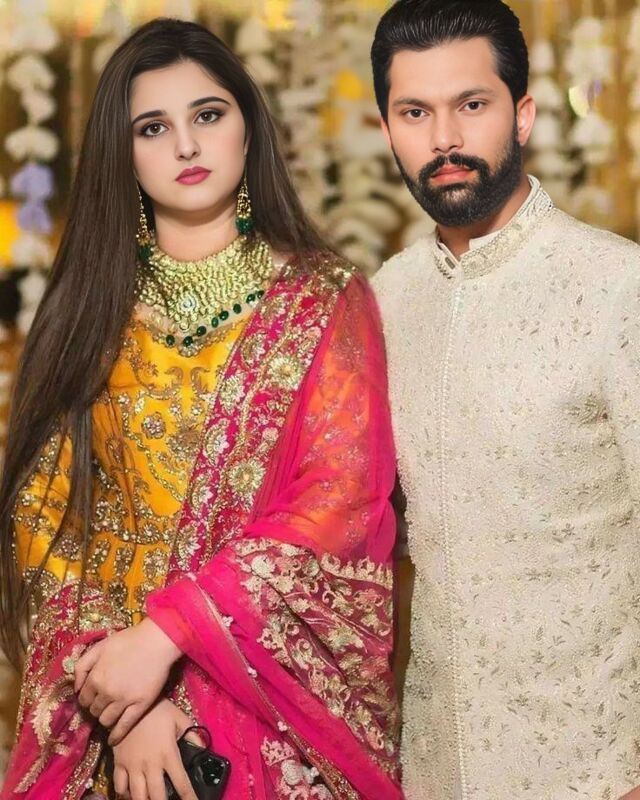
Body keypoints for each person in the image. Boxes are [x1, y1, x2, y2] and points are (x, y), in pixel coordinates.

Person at [0, 18, 402, 800]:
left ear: (248, 127)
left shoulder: (324, 301)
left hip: (269, 721)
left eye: (208, 115)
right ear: (122, 154)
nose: (186, 145)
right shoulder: (90, 313)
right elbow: (45, 522)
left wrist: (166, 637)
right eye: (153, 128)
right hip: (111, 710)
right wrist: (125, 698)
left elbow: (338, 504)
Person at [370, 1, 640, 798]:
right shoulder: (385, 300)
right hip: (434, 767)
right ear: (387, 130)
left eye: (472, 105)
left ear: (522, 115)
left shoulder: (616, 287)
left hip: (599, 768)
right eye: (415, 113)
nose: (444, 139)